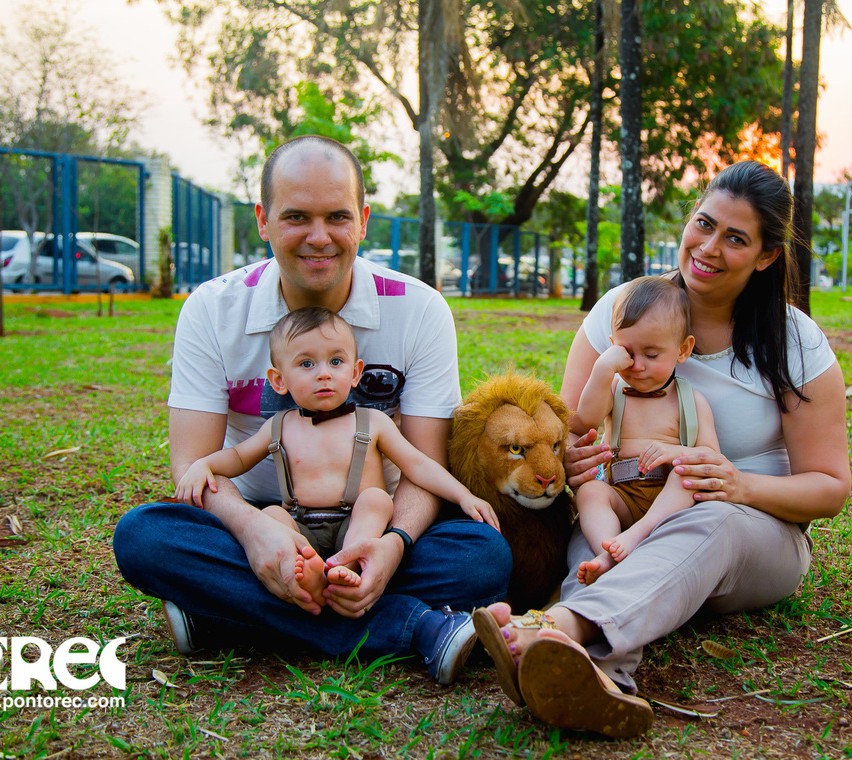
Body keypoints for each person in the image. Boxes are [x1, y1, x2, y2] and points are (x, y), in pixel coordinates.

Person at [113, 135, 511, 686]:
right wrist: (254, 533)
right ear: (263, 220)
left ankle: (226, 615)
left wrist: (392, 546)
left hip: (374, 525)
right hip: (258, 518)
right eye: (297, 216)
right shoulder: (212, 308)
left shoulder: (419, 309)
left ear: (363, 220)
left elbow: (424, 466)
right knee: (144, 537)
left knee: (483, 556)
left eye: (338, 217)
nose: (319, 237)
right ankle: (418, 626)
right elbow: (194, 467)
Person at [473, 160, 851, 737]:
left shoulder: (794, 341)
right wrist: (571, 459)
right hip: (630, 509)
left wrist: (738, 485)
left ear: (766, 256)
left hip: (750, 532)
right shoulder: (624, 309)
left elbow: (830, 486)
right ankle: (597, 677)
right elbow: (567, 429)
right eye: (704, 224)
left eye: (736, 238)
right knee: (597, 541)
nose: (709, 247)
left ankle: (554, 626)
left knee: (712, 518)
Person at [174, 307, 500, 598]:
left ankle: (349, 566)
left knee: (376, 500)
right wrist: (203, 465)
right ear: (279, 380)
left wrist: (463, 495)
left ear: (355, 372)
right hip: (300, 525)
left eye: (336, 361)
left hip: (359, 525)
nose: (324, 373)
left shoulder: (373, 422)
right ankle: (310, 573)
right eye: (306, 363)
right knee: (271, 516)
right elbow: (237, 458)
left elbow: (418, 464)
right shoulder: (279, 426)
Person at [566, 276, 719, 585]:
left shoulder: (690, 400)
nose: (637, 365)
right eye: (626, 352)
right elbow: (587, 418)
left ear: (683, 349)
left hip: (670, 503)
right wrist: (602, 369)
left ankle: (637, 535)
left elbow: (710, 456)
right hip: (622, 495)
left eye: (651, 355)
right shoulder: (614, 389)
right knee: (591, 491)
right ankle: (608, 551)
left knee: (686, 475)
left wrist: (673, 452)